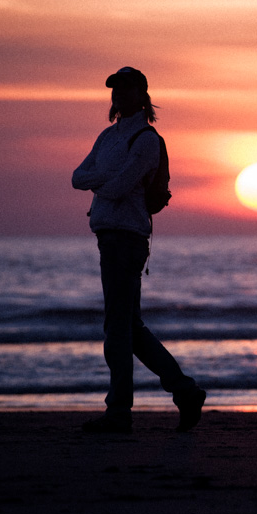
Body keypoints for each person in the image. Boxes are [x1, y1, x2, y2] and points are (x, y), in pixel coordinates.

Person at [72, 67, 206, 433]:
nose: (118, 95)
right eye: (115, 89)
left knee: (118, 327)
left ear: (142, 95)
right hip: (107, 235)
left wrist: (104, 182)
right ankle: (185, 391)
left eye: (126, 89)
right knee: (129, 326)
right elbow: (77, 177)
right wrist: (107, 180)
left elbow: (117, 189)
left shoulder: (146, 139)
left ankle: (119, 412)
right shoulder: (108, 136)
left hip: (128, 237)